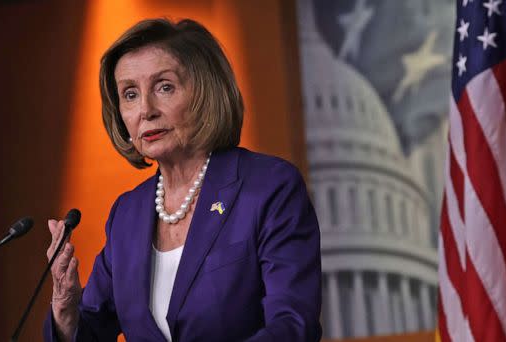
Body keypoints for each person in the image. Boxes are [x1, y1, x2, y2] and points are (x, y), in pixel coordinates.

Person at [43, 18, 322, 342]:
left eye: (164, 87)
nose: (145, 109)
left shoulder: (268, 187)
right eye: (130, 94)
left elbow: (293, 325)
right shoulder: (127, 213)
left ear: (205, 92)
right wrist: (65, 310)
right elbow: (92, 332)